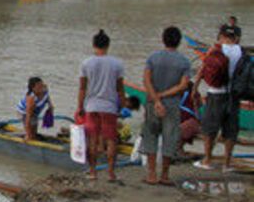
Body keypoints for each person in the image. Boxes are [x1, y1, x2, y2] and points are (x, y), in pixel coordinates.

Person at [139, 26, 192, 186]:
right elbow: (183, 86)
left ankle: (151, 174)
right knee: (170, 139)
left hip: (152, 103)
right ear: (179, 42)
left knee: (150, 135)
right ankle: (165, 175)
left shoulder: (153, 58)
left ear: (163, 39)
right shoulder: (184, 62)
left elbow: (146, 81)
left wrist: (156, 99)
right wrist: (164, 96)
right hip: (172, 105)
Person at [76, 29, 126, 182]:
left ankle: (93, 172)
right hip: (109, 106)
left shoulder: (86, 63)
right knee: (111, 140)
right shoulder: (117, 64)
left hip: (91, 106)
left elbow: (83, 88)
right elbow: (120, 88)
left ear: (93, 45)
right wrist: (121, 105)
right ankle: (111, 173)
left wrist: (79, 106)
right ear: (108, 45)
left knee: (93, 139)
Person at [198, 23, 244, 170]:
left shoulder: (216, 49)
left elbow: (203, 69)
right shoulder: (241, 51)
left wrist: (195, 87)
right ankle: (227, 163)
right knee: (230, 130)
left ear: (222, 36)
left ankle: (207, 160)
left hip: (216, 92)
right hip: (234, 94)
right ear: (236, 38)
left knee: (209, 128)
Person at [17, 76, 53, 143]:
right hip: (24, 112)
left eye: (41, 85)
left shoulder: (45, 90)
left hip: (35, 112)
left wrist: (50, 107)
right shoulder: (31, 99)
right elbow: (28, 117)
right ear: (33, 89)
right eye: (38, 86)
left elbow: (48, 98)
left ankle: (33, 136)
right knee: (30, 132)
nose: (41, 88)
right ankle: (28, 137)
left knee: (34, 130)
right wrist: (28, 135)